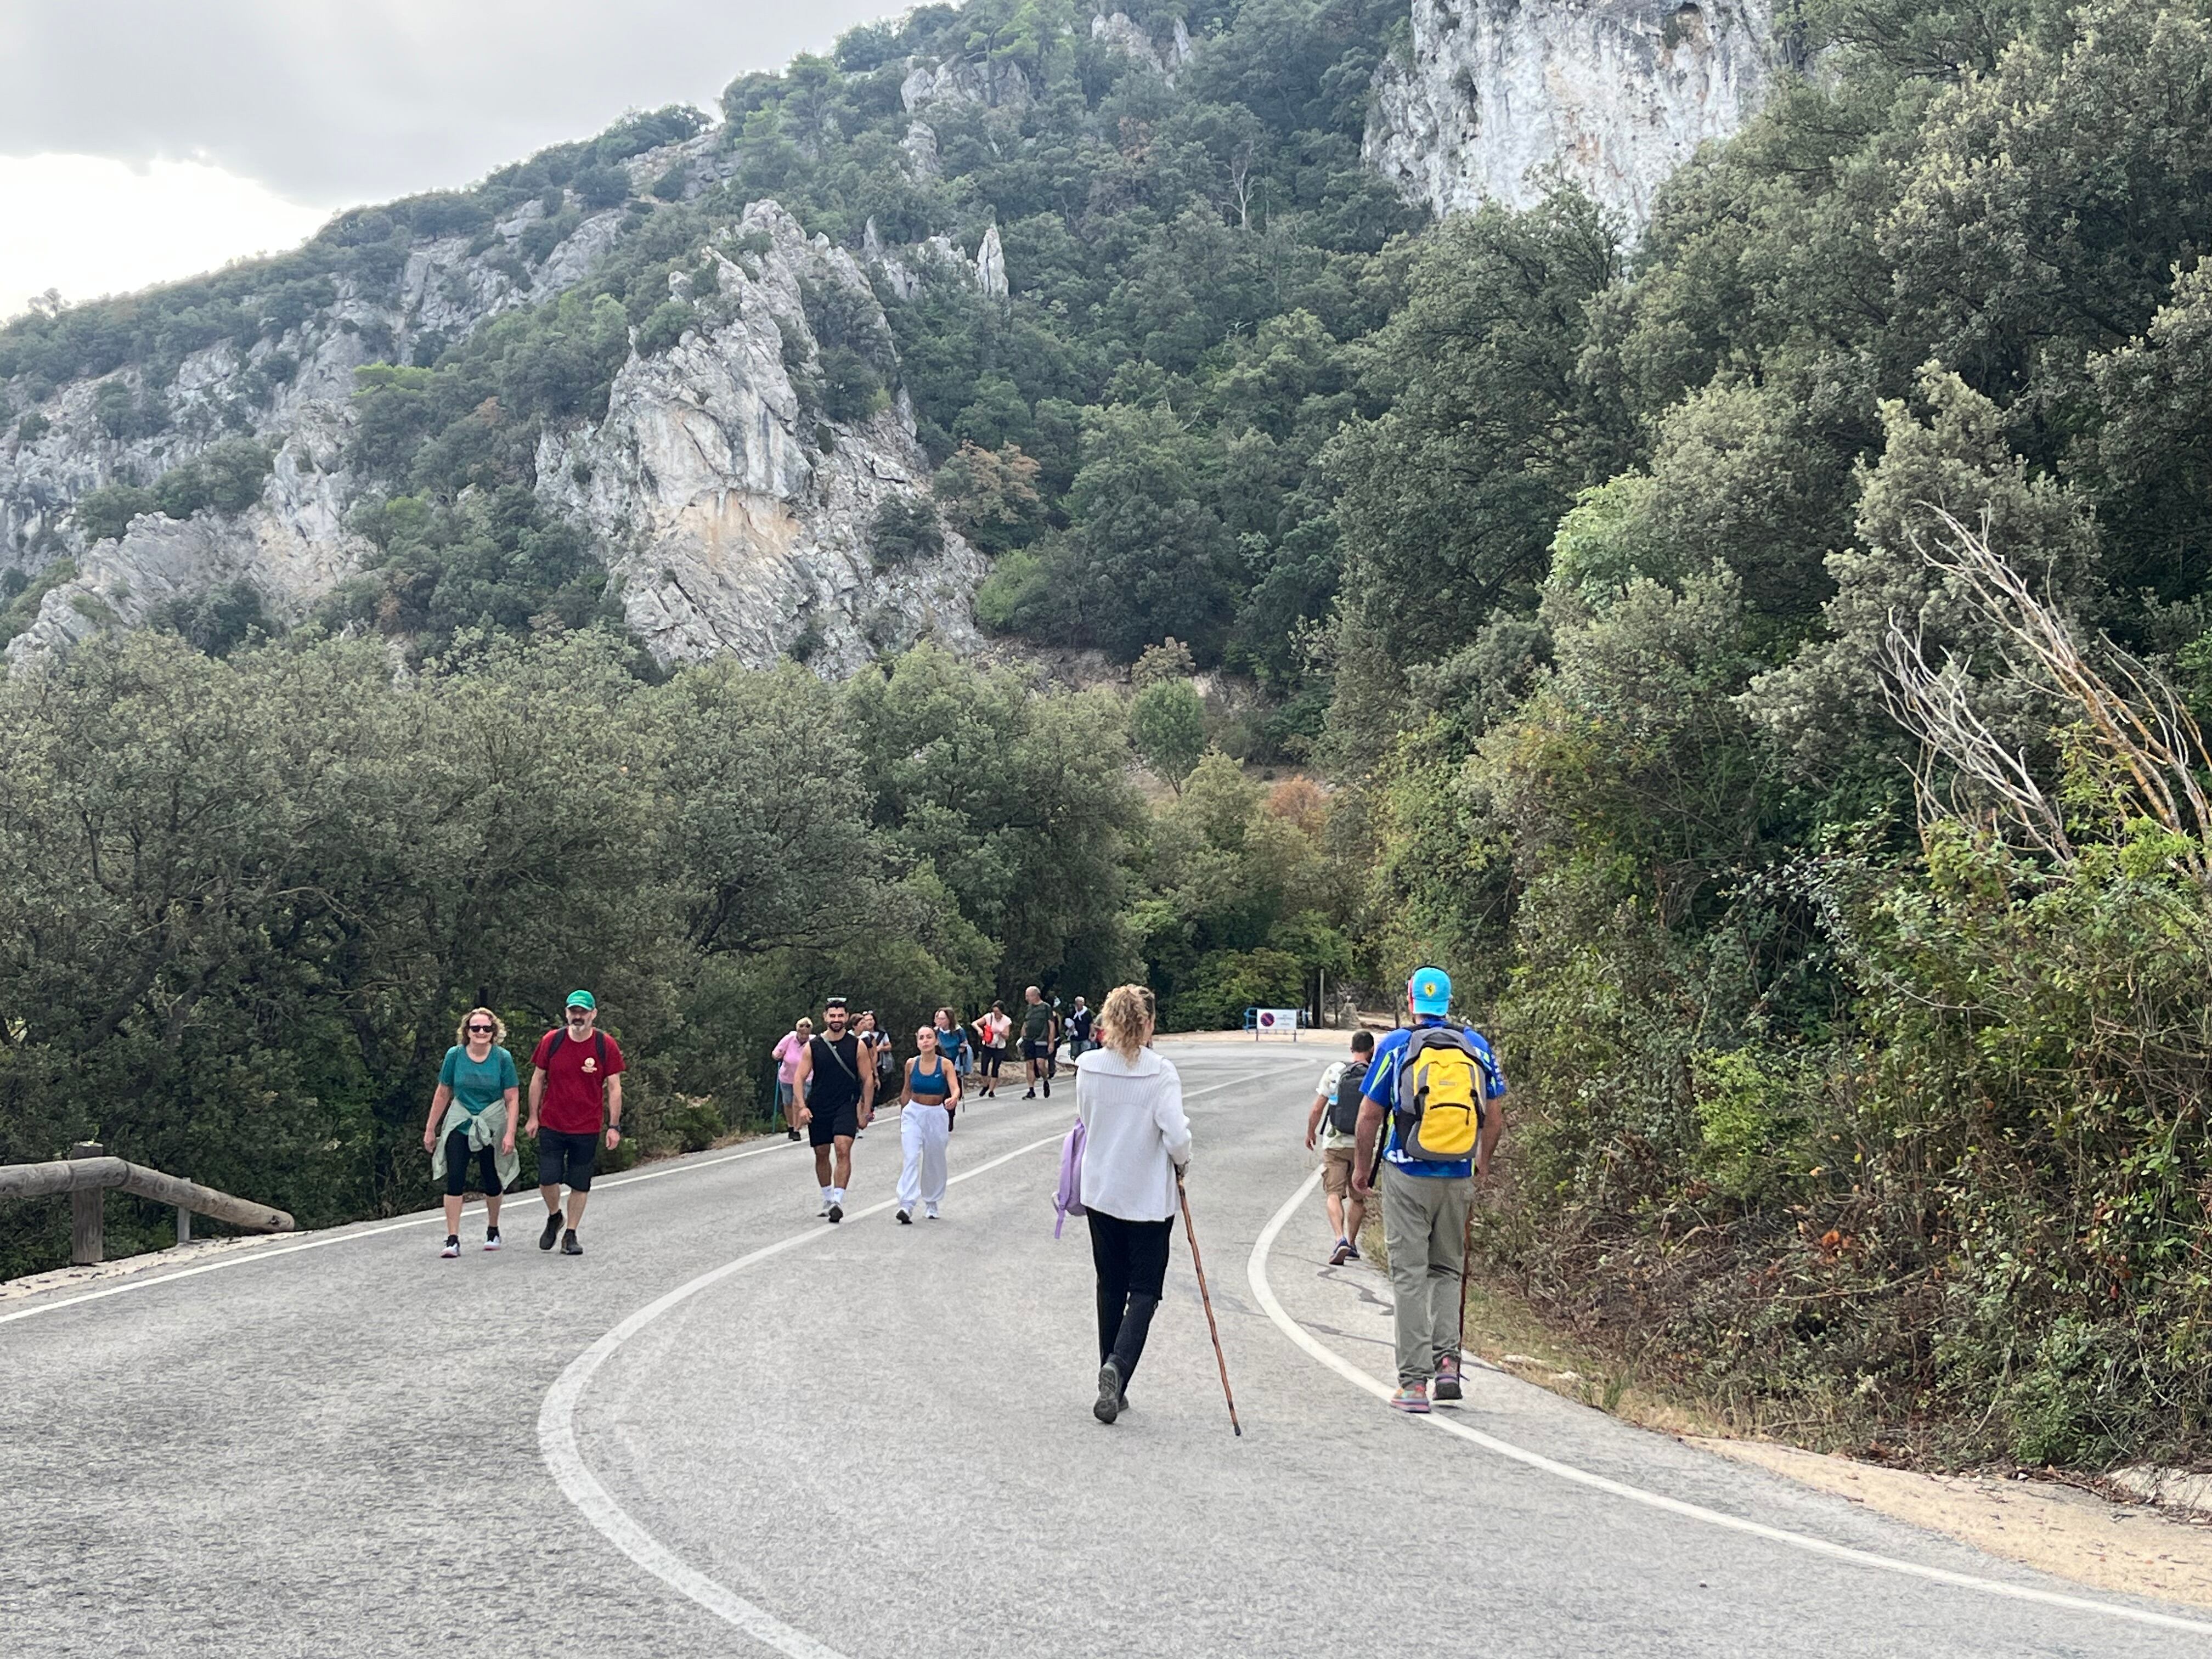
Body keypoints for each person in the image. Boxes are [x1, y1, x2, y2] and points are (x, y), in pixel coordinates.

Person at [1351, 968, 1504, 1413]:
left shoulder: (1397, 1045)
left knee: (1409, 1275)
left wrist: (1363, 1171)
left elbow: (1368, 1115)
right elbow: (1493, 1119)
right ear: (1449, 1001)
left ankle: (1414, 1384)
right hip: (1457, 1175)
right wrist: (1481, 1164)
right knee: (1447, 1271)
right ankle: (1448, 1365)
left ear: (1411, 1000)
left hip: (1407, 1172)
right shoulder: (1476, 1047)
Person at [1075, 984, 1192, 1425]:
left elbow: (1087, 1121)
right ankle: (1118, 1368)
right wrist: (1184, 1164)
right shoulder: (1160, 1072)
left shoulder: (1088, 1067)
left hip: (1102, 1190)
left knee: (1110, 1283)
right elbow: (1177, 1136)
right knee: (1144, 1291)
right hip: (1146, 1199)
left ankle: (1110, 1376)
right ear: (1146, 1024)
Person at [525, 990, 627, 1257]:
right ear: (567, 1013)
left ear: (593, 1014)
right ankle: (554, 1215)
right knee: (548, 1179)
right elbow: (537, 1079)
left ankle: (570, 1234)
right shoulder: (552, 1041)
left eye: (583, 1012)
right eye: (574, 1011)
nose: (578, 1016)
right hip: (552, 1123)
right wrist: (533, 1116)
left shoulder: (605, 1045)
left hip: (587, 1126)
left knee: (580, 1183)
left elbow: (614, 1088)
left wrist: (614, 1126)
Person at [423, 1008, 521, 1258]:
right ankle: (453, 1238)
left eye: (486, 1028)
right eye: (475, 1028)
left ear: (494, 1032)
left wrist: (510, 1133)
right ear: (467, 1031)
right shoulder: (454, 1056)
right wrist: (430, 1128)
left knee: (491, 1176)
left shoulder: (502, 1058)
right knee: (455, 1177)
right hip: (461, 1119)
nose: (480, 1032)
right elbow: (443, 1092)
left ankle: (493, 1229)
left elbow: (511, 1097)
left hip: (491, 1120)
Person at [789, 996, 874, 1222]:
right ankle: (827, 1197)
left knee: (843, 1148)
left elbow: (867, 1079)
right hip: (819, 1105)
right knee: (821, 1153)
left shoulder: (857, 1046)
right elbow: (799, 1078)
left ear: (846, 1017)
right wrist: (802, 1107)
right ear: (825, 1018)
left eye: (840, 1015)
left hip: (846, 1103)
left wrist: (866, 1109)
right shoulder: (813, 1047)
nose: (836, 1019)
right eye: (832, 1016)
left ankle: (838, 1200)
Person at [1306, 1029, 1375, 1267]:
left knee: (1333, 1193)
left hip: (1335, 1143)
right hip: (1362, 1146)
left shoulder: (1335, 1071)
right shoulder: (1375, 1075)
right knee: (1357, 1198)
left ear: (1351, 1049)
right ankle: (1353, 1244)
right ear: (1372, 1050)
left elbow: (1317, 1109)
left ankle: (1339, 1239)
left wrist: (1310, 1133)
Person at [895, 1024, 961, 1223]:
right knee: (911, 1156)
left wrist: (954, 1098)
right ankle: (906, 1204)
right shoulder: (911, 1064)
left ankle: (932, 1203)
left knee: (935, 1158)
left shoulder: (945, 1064)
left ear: (935, 1041)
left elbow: (955, 1088)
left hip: (936, 1114)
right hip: (913, 1113)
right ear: (917, 1042)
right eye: (921, 1038)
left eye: (929, 1037)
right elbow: (906, 1090)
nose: (925, 1041)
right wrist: (903, 1113)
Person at [771, 1017, 812, 1142]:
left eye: (807, 1033)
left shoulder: (813, 1042)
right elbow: (776, 1052)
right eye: (802, 1033)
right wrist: (777, 1055)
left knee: (798, 1102)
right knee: (788, 1103)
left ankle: (796, 1129)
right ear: (798, 1031)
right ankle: (790, 1125)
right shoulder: (789, 1039)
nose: (804, 1036)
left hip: (805, 1077)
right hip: (787, 1076)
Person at [931, 1008, 970, 1131]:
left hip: (954, 1067)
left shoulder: (959, 1032)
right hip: (938, 1067)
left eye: (943, 1019)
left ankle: (950, 1117)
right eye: (938, 1018)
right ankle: (939, 1118)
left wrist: (962, 1052)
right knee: (938, 1093)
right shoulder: (935, 1032)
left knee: (950, 1094)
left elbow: (964, 1045)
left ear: (949, 1020)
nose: (940, 1021)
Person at [1019, 984, 1057, 1099]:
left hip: (1041, 1039)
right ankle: (1031, 1090)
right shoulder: (1029, 1008)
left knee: (1040, 1064)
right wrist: (1022, 1036)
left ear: (1035, 996)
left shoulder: (1046, 1008)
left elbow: (1051, 1025)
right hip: (1029, 1039)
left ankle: (1045, 1080)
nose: (1027, 999)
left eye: (1028, 996)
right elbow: (1026, 1023)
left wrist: (1051, 1042)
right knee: (1030, 1064)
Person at [971, 1001, 1011, 1099]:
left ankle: (991, 1090)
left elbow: (1007, 1036)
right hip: (988, 1045)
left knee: (995, 1068)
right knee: (984, 1067)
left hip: (999, 1047)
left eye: (998, 1012)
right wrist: (980, 1030)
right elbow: (975, 1023)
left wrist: (1000, 1032)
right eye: (994, 1011)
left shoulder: (1006, 1021)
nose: (996, 1014)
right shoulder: (989, 1017)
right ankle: (986, 1085)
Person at [1064, 996, 1094, 1060]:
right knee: (1075, 1055)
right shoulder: (1072, 1012)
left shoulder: (1087, 1012)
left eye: (1081, 1003)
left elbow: (1091, 1023)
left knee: (1085, 1054)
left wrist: (1092, 1035)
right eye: (1078, 1003)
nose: (1079, 1005)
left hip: (1085, 1037)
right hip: (1075, 1038)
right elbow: (1067, 1021)